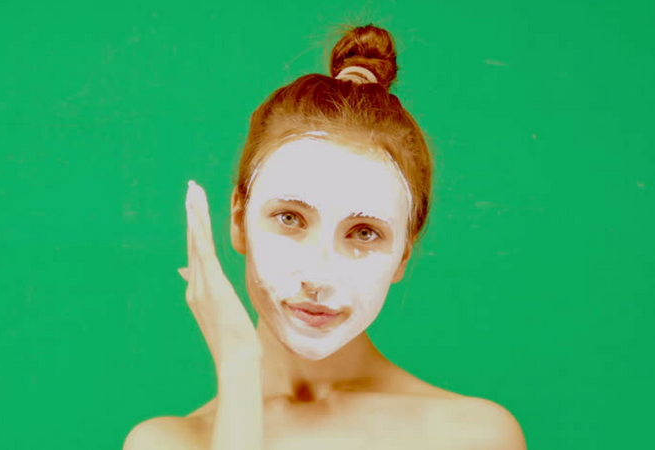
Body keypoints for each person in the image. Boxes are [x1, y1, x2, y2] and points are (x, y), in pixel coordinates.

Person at [124, 24, 526, 450]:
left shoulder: (473, 436)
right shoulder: (163, 443)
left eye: (364, 233)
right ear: (238, 220)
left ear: (403, 255)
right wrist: (240, 368)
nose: (318, 277)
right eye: (290, 219)